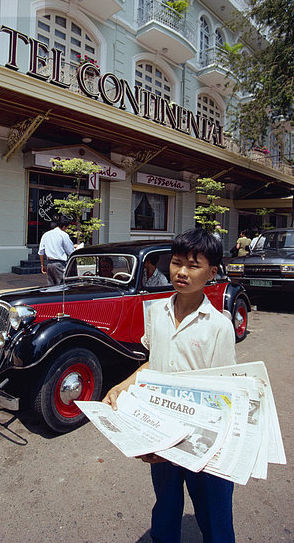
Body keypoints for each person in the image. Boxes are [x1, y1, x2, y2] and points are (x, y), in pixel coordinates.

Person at [103, 228, 236, 543]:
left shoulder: (218, 327)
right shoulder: (156, 312)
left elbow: (222, 396)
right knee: (165, 507)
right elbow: (154, 360)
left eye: (194, 265)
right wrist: (123, 385)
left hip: (203, 441)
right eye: (177, 263)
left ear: (212, 272)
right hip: (161, 431)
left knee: (214, 516)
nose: (182, 272)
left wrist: (182, 446)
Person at [38, 216, 75, 285]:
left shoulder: (46, 235)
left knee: (51, 286)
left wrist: (42, 265)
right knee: (61, 286)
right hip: (59, 264)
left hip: (49, 264)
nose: (66, 229)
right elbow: (70, 251)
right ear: (64, 226)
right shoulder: (63, 235)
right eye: (67, 228)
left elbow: (41, 252)